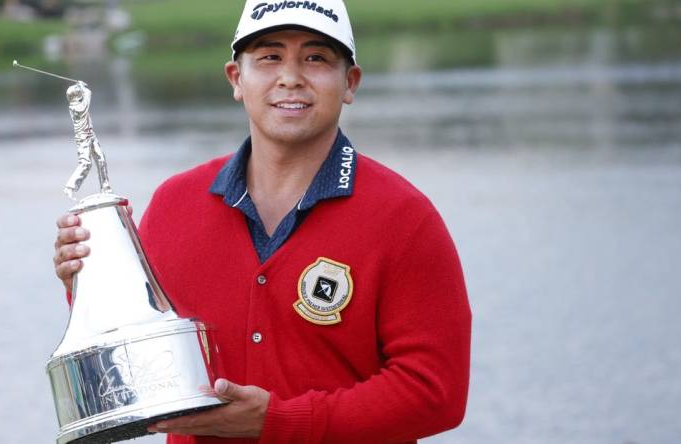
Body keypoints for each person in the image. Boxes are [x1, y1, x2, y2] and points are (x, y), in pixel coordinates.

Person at [53, 1, 471, 442]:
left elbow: (435, 392)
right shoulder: (175, 203)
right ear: (237, 79)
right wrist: (87, 282)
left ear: (350, 82)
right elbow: (138, 354)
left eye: (316, 58)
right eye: (270, 57)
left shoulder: (405, 218)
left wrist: (278, 422)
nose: (290, 76)